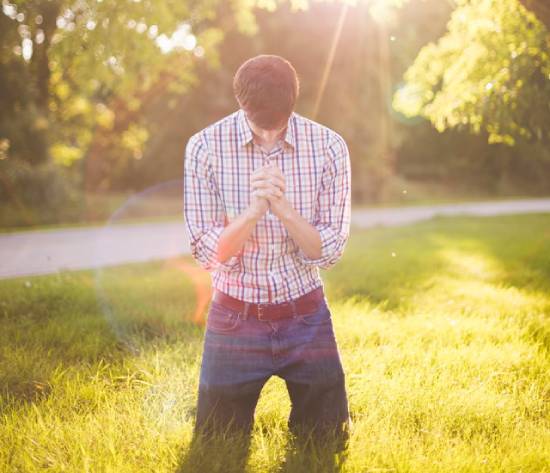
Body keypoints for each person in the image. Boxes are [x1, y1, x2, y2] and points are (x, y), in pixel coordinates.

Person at [182, 54, 352, 457]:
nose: (271, 131)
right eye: (261, 121)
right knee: (216, 444)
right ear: (241, 103)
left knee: (327, 441)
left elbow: (328, 251)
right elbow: (208, 251)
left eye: (280, 120)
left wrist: (284, 209)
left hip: (306, 315)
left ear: (295, 98)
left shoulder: (329, 146)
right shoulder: (205, 147)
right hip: (234, 317)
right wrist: (254, 211)